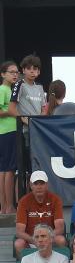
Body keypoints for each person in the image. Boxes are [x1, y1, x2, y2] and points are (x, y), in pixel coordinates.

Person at [15, 171, 67, 256]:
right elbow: (19, 231)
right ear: (31, 185)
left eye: (42, 183)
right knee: (19, 243)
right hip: (31, 239)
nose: (39, 187)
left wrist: (46, 238)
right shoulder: (23, 201)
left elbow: (60, 228)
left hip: (50, 239)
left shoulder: (55, 199)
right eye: (36, 184)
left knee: (60, 240)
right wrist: (34, 240)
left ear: (47, 185)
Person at [0, 61, 18, 216]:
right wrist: (13, 112)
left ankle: (6, 206)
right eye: (11, 72)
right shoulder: (3, 89)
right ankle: (8, 206)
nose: (15, 75)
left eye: (16, 72)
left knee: (5, 169)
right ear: (3, 74)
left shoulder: (10, 90)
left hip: (8, 131)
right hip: (8, 131)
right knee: (8, 170)